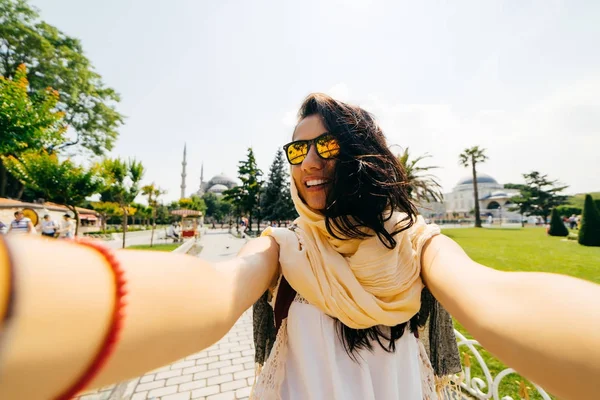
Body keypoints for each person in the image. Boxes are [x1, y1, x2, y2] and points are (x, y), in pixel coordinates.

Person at [0, 94, 599, 400]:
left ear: (360, 154)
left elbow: (492, 300)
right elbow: (215, 294)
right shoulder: (282, 246)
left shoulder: (414, 240)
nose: (309, 163)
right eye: (296, 150)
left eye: (327, 147)